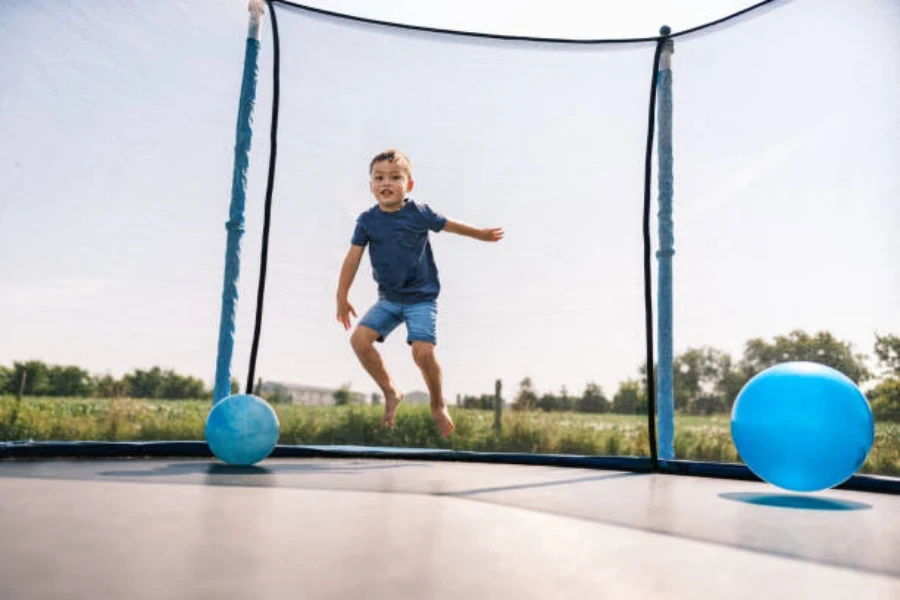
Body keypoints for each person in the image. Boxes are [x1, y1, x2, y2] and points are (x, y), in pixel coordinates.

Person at [336, 149, 503, 437]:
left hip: (421, 299)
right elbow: (352, 257)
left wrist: (482, 234)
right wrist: (342, 295)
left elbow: (450, 225)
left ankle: (438, 405)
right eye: (379, 178)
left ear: (409, 185)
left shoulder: (418, 213)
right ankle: (391, 392)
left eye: (395, 177)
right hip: (389, 299)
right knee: (359, 340)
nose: (386, 183)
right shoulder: (366, 221)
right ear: (371, 185)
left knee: (422, 352)